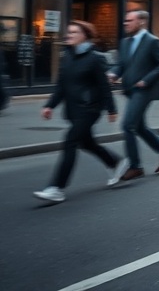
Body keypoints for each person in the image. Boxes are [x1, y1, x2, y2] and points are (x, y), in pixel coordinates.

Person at [33, 21, 129, 203]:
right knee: (86, 143)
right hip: (73, 109)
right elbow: (61, 85)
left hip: (89, 108)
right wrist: (49, 105)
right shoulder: (66, 56)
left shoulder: (95, 58)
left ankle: (56, 188)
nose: (69, 35)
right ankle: (116, 162)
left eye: (74, 32)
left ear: (84, 35)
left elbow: (103, 86)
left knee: (70, 142)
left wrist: (111, 109)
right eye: (68, 32)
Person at [107, 10, 159, 182]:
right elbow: (121, 64)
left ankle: (135, 166)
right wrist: (113, 74)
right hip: (131, 89)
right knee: (138, 127)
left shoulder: (152, 41)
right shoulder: (125, 42)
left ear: (141, 22)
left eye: (129, 21)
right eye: (125, 21)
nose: (126, 24)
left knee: (127, 125)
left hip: (145, 90)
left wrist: (146, 80)